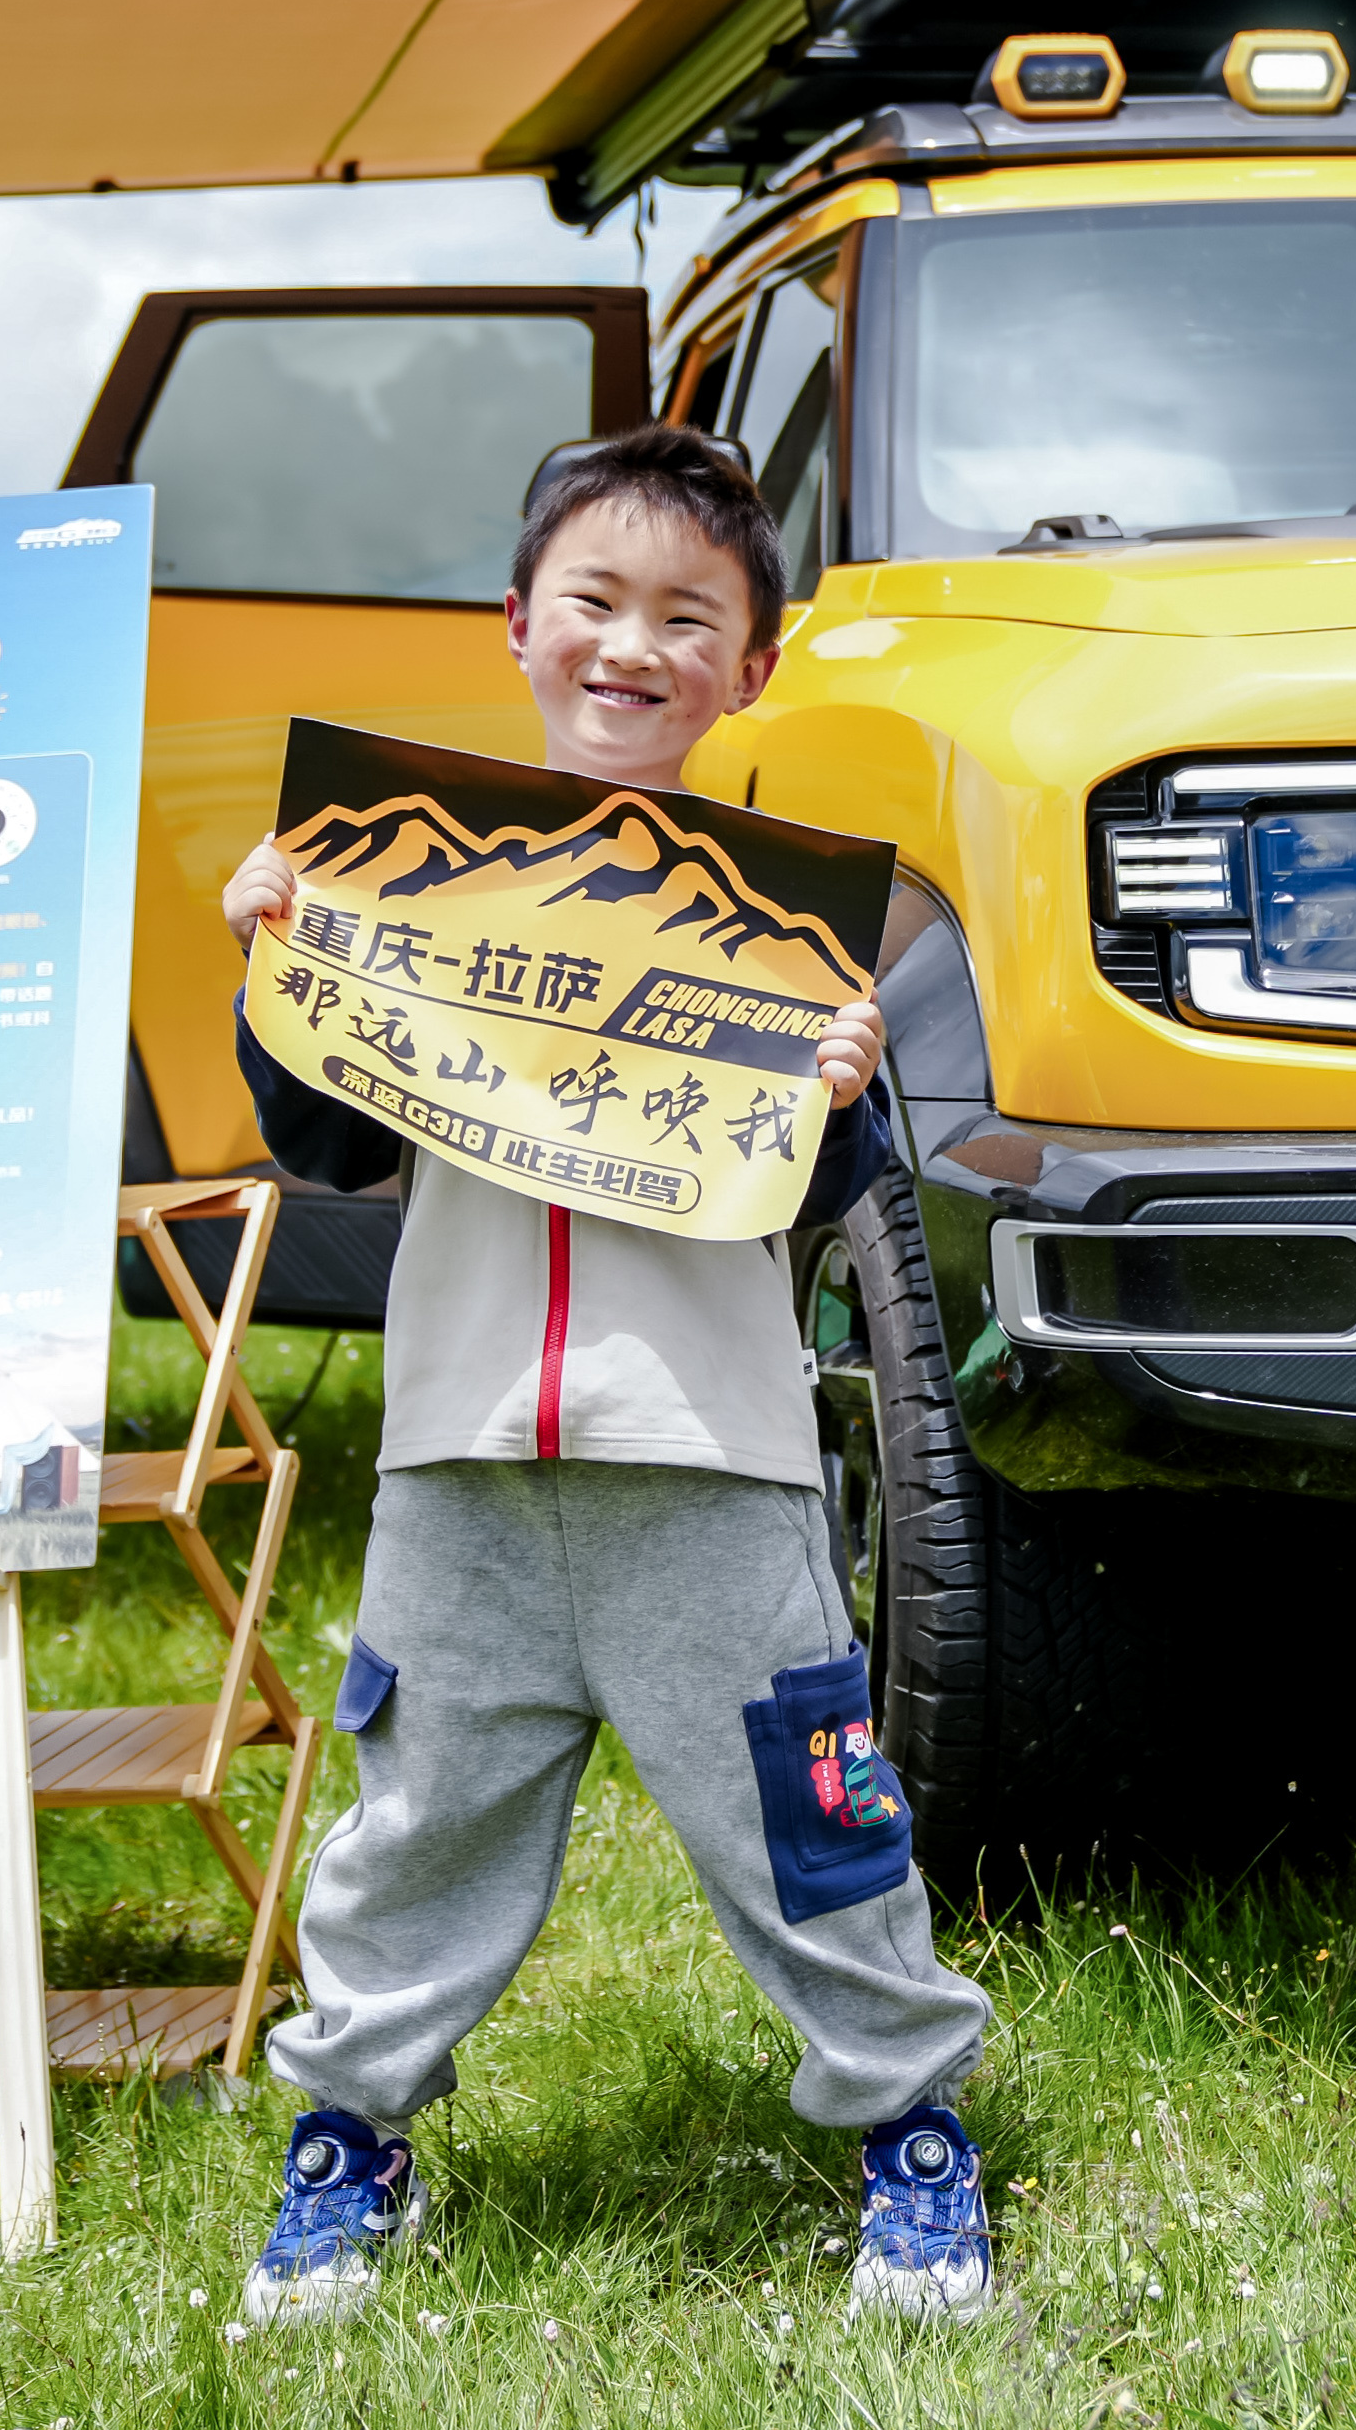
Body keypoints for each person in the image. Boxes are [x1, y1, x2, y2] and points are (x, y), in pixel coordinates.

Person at [213, 428, 999, 2327]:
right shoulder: (407, 879)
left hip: (708, 1462)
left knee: (809, 1814)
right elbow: (325, 1144)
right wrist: (281, 968)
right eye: (594, 599)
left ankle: (913, 2135)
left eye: (685, 617)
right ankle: (350, 2146)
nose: (631, 643)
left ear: (756, 661)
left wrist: (830, 1091)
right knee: (417, 1822)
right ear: (519, 624)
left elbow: (823, 1200)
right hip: (461, 1457)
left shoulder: (793, 931)